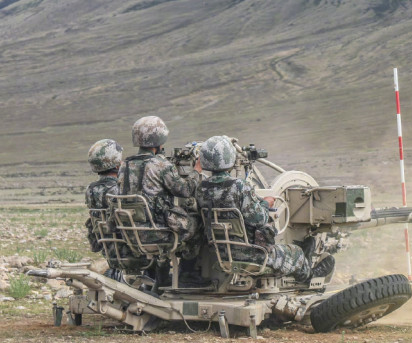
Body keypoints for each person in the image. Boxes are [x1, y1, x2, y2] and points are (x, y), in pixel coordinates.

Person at [196, 135, 331, 281]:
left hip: (221, 254)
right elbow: (259, 219)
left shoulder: (201, 189)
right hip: (253, 255)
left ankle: (305, 259)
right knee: (296, 252)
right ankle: (309, 275)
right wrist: (266, 203)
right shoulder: (239, 186)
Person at [114, 115, 202, 249]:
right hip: (158, 233)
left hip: (130, 233)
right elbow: (186, 190)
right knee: (198, 222)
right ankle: (188, 262)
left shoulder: (124, 165)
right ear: (159, 139)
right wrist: (197, 170)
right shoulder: (160, 164)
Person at [84, 138, 148, 275]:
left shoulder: (90, 190)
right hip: (131, 249)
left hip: (108, 249)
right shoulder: (120, 190)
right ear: (117, 163)